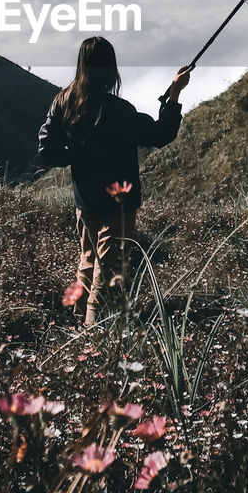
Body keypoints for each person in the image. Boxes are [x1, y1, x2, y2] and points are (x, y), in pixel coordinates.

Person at [37, 36, 192, 325]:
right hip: (118, 206)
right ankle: (93, 336)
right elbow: (160, 134)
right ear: (111, 69)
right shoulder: (120, 111)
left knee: (87, 263)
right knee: (107, 274)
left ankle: (77, 322)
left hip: (85, 201)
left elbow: (47, 149)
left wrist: (77, 153)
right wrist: (174, 94)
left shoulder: (64, 102)